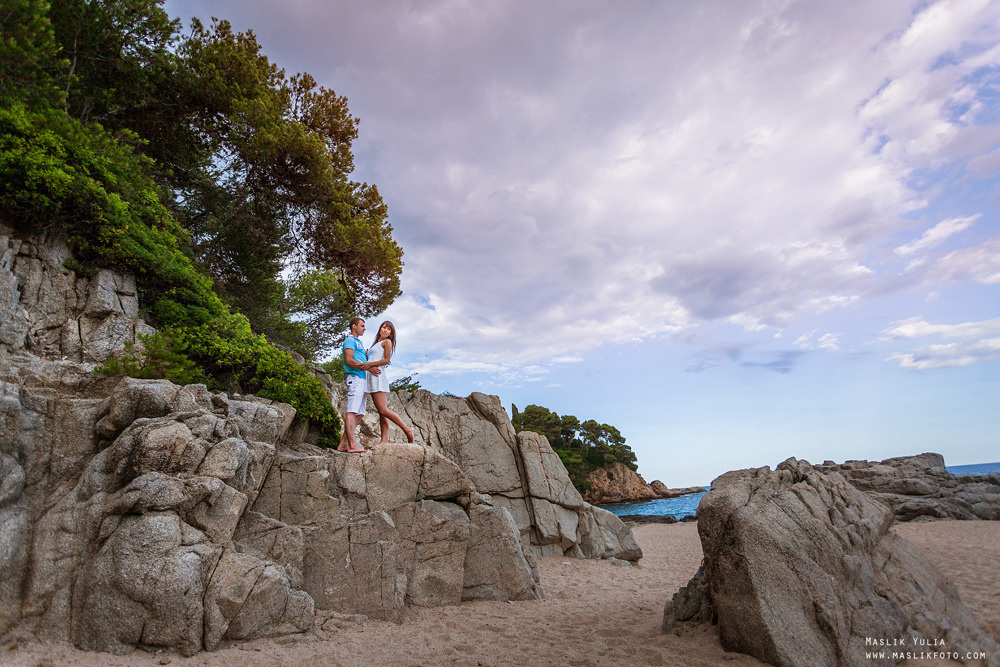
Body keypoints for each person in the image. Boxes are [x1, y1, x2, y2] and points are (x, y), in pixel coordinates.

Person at [365, 320, 415, 446]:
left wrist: (369, 365)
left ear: (391, 333)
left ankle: (407, 429)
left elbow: (386, 360)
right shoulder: (376, 343)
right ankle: (384, 440)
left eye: (388, 329)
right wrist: (368, 367)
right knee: (381, 411)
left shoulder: (387, 342)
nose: (385, 330)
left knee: (383, 410)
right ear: (380, 329)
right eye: (383, 327)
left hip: (378, 377)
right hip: (371, 376)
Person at [338, 317, 379, 453]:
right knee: (352, 411)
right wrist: (368, 367)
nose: (364, 328)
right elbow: (349, 360)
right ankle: (352, 445)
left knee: (360, 414)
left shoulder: (358, 342)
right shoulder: (349, 340)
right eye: (362, 325)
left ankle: (343, 444)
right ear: (354, 326)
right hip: (355, 378)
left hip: (362, 380)